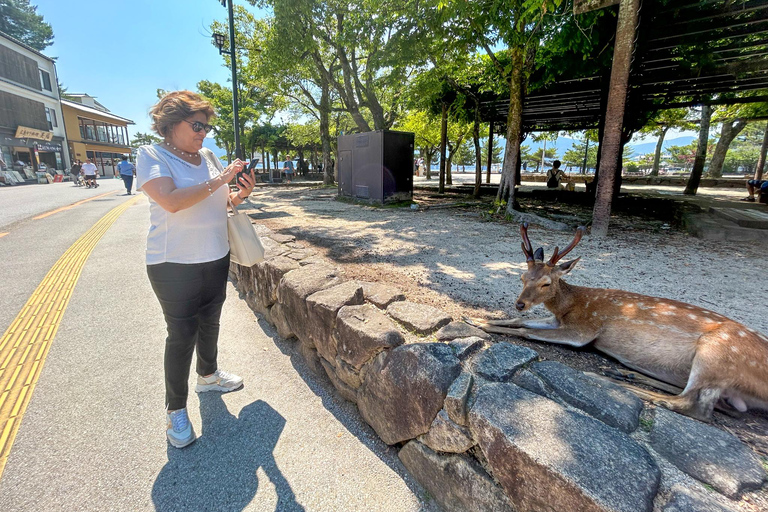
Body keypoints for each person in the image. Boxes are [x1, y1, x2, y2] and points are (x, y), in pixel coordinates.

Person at [136, 90, 256, 449]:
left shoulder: (207, 156)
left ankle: (208, 374)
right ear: (171, 124)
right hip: (173, 262)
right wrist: (222, 180)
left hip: (215, 255)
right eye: (197, 125)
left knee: (211, 321)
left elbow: (219, 202)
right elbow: (171, 201)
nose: (204, 132)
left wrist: (240, 194)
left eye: (207, 126)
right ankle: (175, 409)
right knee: (181, 334)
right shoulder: (152, 154)